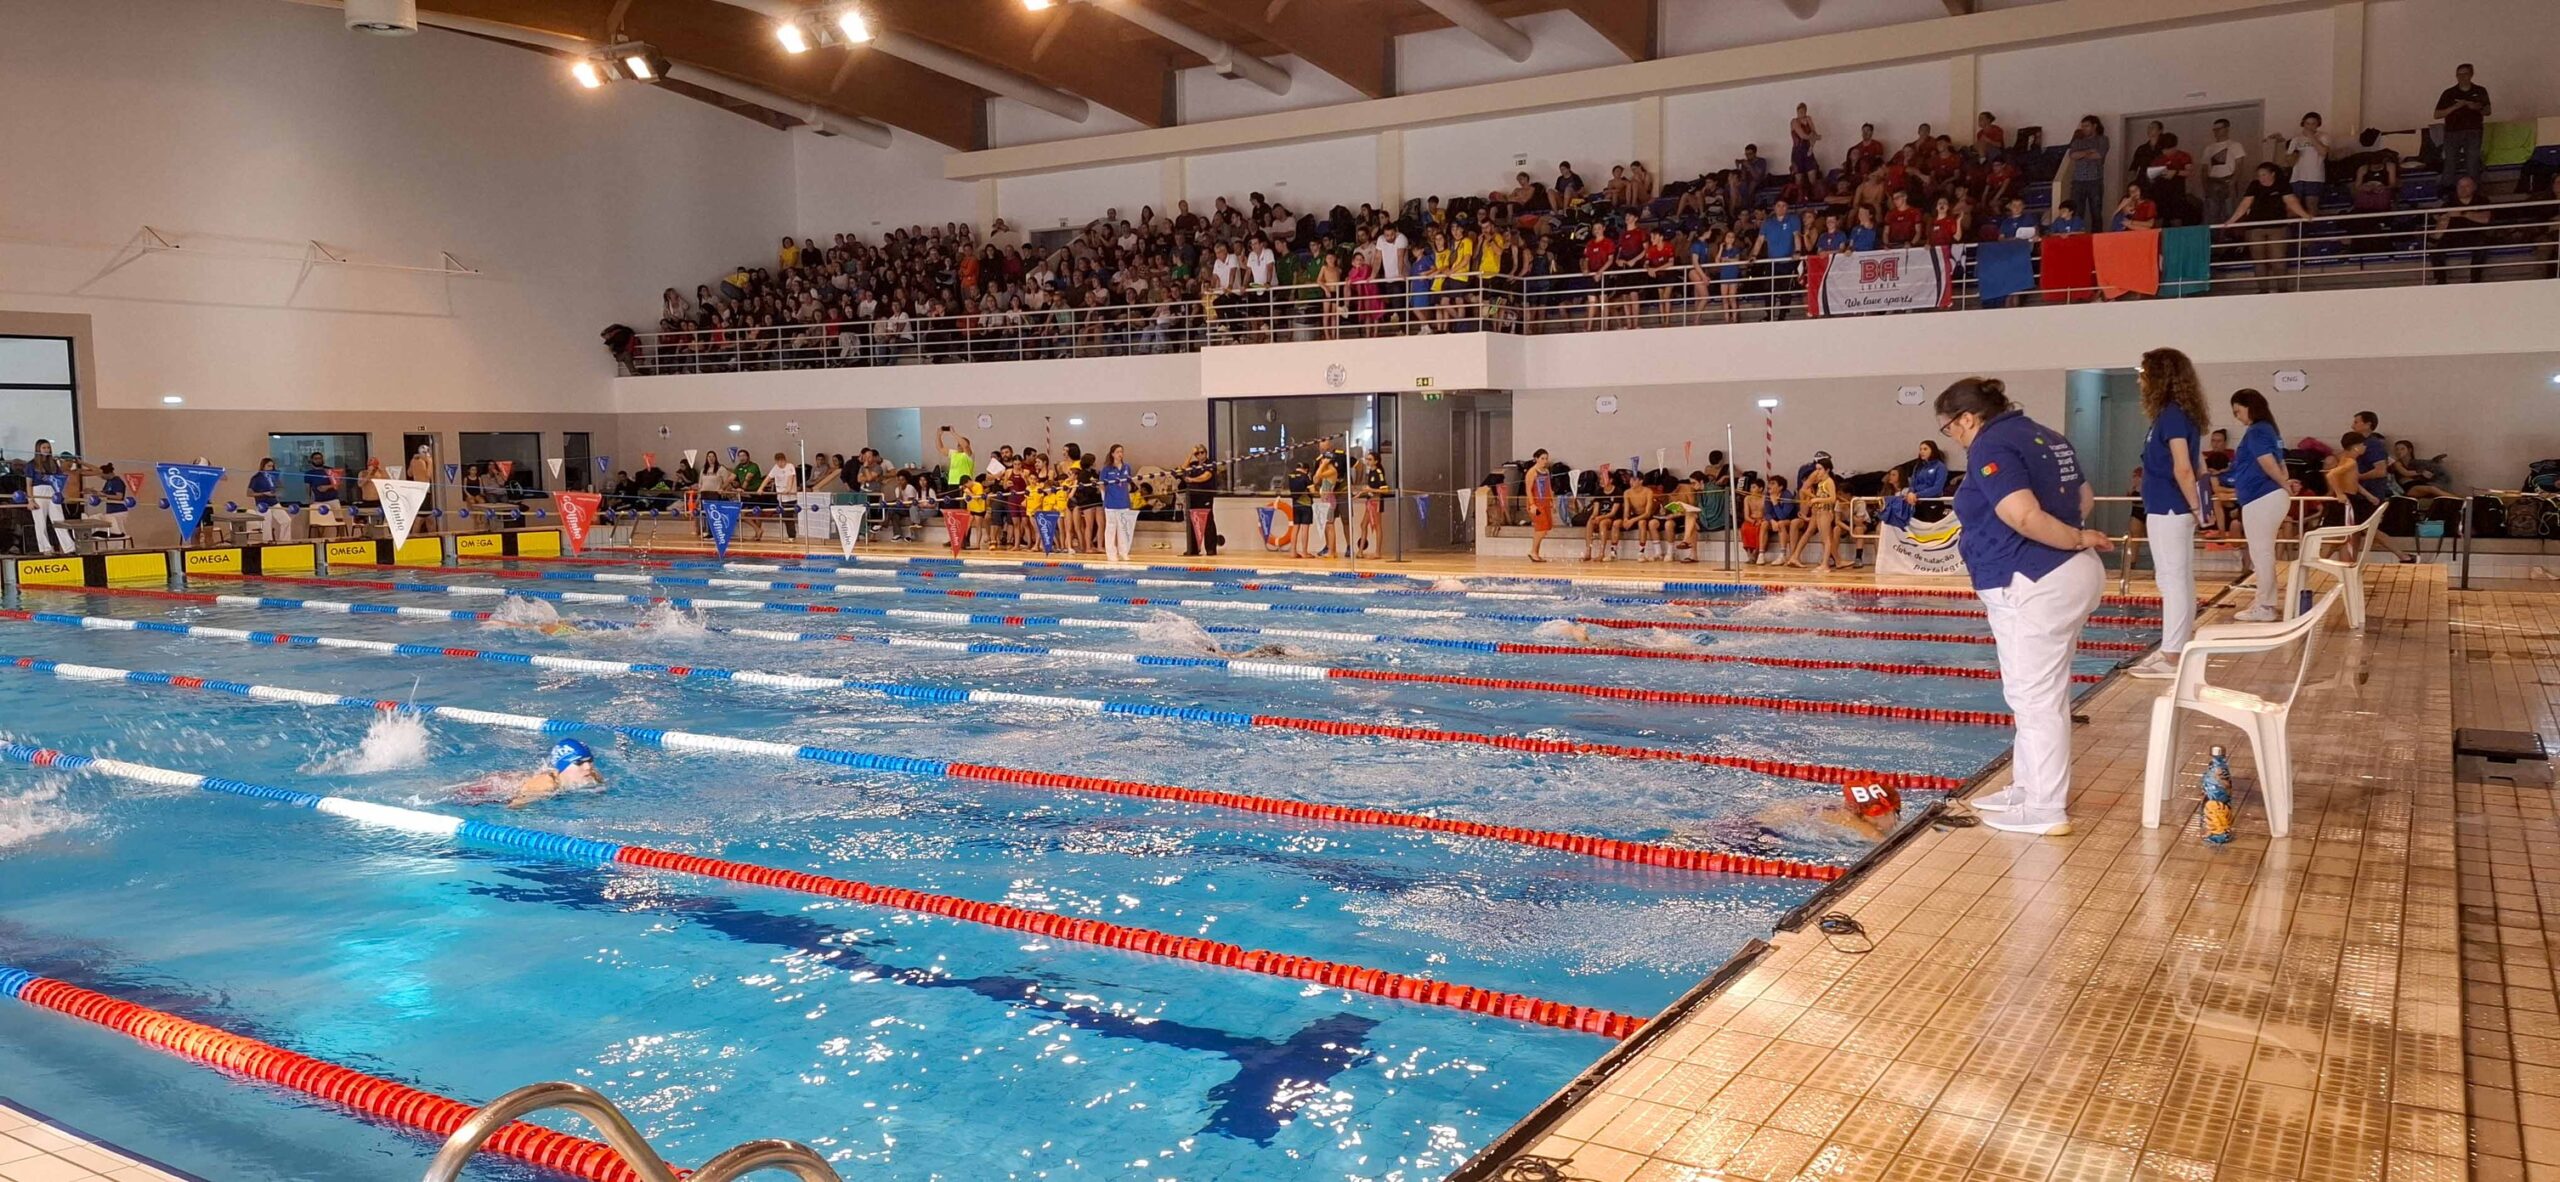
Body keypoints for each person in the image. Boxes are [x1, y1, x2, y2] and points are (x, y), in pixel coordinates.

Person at [1936, 377, 2112, 837]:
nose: (1952, 438)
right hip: (2065, 574)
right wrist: (2074, 537)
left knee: (2036, 699)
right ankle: (2025, 787)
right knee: (2032, 693)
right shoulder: (2045, 434)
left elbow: (2022, 515)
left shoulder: (1991, 444)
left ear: (1967, 418)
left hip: (2033, 580)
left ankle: (2045, 806)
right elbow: (2084, 498)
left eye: (1949, 428)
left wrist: (2071, 537)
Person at [2127, 348, 2210, 680]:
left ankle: (2172, 656)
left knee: (2172, 581)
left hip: (2171, 507)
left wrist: (2199, 509)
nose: (2139, 378)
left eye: (2144, 373)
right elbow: (2197, 464)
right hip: (2167, 506)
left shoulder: (2173, 415)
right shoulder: (2172, 414)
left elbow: (2185, 468)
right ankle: (2176, 647)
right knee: (2177, 579)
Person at [2228, 389, 2291, 622]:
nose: (2237, 416)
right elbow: (2280, 461)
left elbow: (2267, 462)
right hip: (2266, 498)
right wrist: (2285, 485)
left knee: (2261, 553)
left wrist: (2284, 484)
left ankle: (2265, 606)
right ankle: (2265, 603)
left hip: (2261, 498)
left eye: (2238, 411)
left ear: (2250, 406)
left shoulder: (2257, 430)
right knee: (2262, 553)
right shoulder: (2269, 430)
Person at [2223, 163, 2311, 294]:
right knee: (2259, 260)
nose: (2261, 178)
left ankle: (2282, 289)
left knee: (2278, 259)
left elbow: (2291, 201)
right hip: (2255, 228)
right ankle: (2262, 290)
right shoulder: (2254, 185)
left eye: (2264, 174)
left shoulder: (2282, 184)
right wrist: (2231, 220)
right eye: (2259, 175)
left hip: (2278, 227)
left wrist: (2305, 215)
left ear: (2273, 174)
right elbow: (2245, 204)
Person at [502, 739, 605, 809]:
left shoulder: (592, 775)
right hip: (498, 788)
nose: (588, 767)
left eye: (589, 760)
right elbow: (513, 807)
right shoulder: (545, 784)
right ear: (562, 765)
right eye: (579, 762)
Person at [2434, 63, 2491, 184]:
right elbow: (2437, 114)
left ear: (2471, 75)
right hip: (2452, 132)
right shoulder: (2449, 93)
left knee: (2472, 164)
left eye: (2465, 74)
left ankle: (2474, 193)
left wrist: (2476, 107)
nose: (2461, 77)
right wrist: (2455, 107)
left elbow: (2488, 111)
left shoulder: (2480, 91)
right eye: (2459, 74)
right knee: (2450, 164)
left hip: (2473, 132)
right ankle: (2448, 193)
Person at [2273, 112, 2330, 207]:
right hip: (2297, 176)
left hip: (2314, 176)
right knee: (2293, 207)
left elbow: (2323, 152)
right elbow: (2288, 161)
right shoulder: (2296, 139)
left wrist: (2311, 136)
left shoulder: (2323, 136)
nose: (2310, 126)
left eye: (2313, 124)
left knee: (2311, 206)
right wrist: (2293, 156)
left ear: (2318, 124)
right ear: (2303, 124)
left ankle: (2311, 222)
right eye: (2307, 124)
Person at [2200, 118, 2248, 224]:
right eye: (2214, 129)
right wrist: (2205, 186)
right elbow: (2204, 169)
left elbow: (2239, 165)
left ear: (2226, 129)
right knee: (2212, 213)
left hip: (2228, 179)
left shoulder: (2235, 145)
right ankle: (2213, 237)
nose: (2216, 132)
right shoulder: (2209, 148)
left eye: (2219, 129)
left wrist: (2233, 182)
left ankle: (2230, 236)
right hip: (2212, 181)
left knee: (2230, 211)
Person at [2064, 116, 2109, 230]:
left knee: (2096, 211)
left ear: (2095, 126)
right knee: (2077, 212)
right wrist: (2089, 151)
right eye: (2082, 126)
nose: (2084, 128)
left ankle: (2097, 237)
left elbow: (2099, 154)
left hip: (2095, 180)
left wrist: (2082, 154)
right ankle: (2077, 235)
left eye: (2087, 126)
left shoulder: (2102, 139)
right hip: (2078, 181)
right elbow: (2072, 155)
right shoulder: (2078, 141)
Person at [1098, 444, 1138, 563]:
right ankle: (1111, 554)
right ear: (1112, 454)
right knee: (1111, 528)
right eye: (1117, 452)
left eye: (1121, 452)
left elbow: (1129, 483)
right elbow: (1101, 485)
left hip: (1124, 502)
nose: (1120, 454)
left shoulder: (1127, 467)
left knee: (1123, 529)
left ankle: (1124, 552)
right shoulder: (1106, 469)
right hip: (1110, 503)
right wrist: (1106, 497)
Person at [1178, 445, 1220, 557]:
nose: (1200, 455)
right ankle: (1193, 549)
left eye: (1202, 452)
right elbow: (1181, 469)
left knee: (1208, 521)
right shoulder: (1193, 465)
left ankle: (1211, 549)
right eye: (1197, 453)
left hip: (1205, 496)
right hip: (1193, 496)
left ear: (1206, 453)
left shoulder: (1210, 464)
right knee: (1193, 522)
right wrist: (1190, 455)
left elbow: (1205, 477)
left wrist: (1192, 479)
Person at [1525, 449, 1556, 563]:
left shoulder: (1546, 471)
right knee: (1541, 528)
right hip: (1536, 504)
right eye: (1542, 458)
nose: (1545, 461)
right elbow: (1528, 490)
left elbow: (1549, 487)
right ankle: (1533, 552)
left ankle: (1536, 553)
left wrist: (1552, 500)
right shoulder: (1532, 472)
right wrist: (1532, 505)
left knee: (1545, 528)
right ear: (1536, 459)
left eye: (1546, 458)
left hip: (1545, 502)